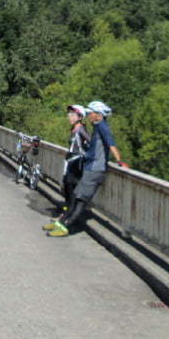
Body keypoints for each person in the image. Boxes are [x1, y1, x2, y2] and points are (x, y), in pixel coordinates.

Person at [45, 100, 127, 237]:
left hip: (95, 169)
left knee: (81, 201)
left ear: (99, 115)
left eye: (91, 113)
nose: (89, 116)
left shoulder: (102, 127)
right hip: (90, 167)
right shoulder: (97, 128)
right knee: (76, 198)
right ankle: (61, 223)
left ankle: (65, 227)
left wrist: (119, 161)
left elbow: (110, 143)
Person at [54, 104, 90, 219]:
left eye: (73, 115)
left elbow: (91, 142)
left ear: (80, 117)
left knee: (71, 191)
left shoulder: (81, 129)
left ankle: (67, 217)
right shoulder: (74, 129)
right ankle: (65, 215)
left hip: (76, 165)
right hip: (70, 163)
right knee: (66, 189)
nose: (70, 117)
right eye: (69, 114)